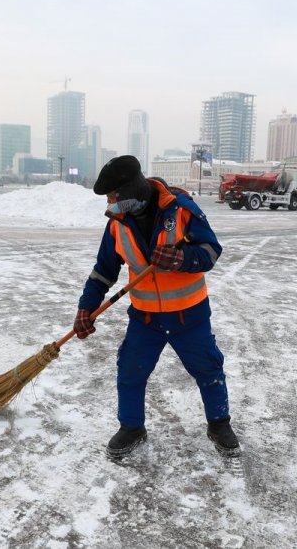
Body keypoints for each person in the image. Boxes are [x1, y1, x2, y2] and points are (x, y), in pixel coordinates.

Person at [72, 155, 239, 458]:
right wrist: (86, 308)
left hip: (190, 316)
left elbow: (211, 251)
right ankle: (131, 427)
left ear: (132, 190)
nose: (111, 202)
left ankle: (219, 423)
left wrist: (181, 260)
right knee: (130, 371)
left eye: (114, 195)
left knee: (208, 369)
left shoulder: (183, 210)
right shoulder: (118, 224)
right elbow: (103, 272)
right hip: (146, 318)